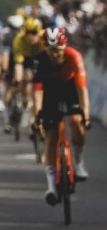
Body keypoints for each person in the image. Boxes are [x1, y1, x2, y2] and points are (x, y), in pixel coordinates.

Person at [31, 27, 91, 203]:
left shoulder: (74, 57)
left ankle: (78, 163)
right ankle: (51, 187)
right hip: (50, 91)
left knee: (76, 120)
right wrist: (36, 116)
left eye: (58, 51)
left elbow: (82, 89)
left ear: (64, 48)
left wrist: (86, 114)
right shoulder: (40, 60)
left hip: (70, 88)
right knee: (51, 137)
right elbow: (37, 93)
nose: (55, 55)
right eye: (51, 51)